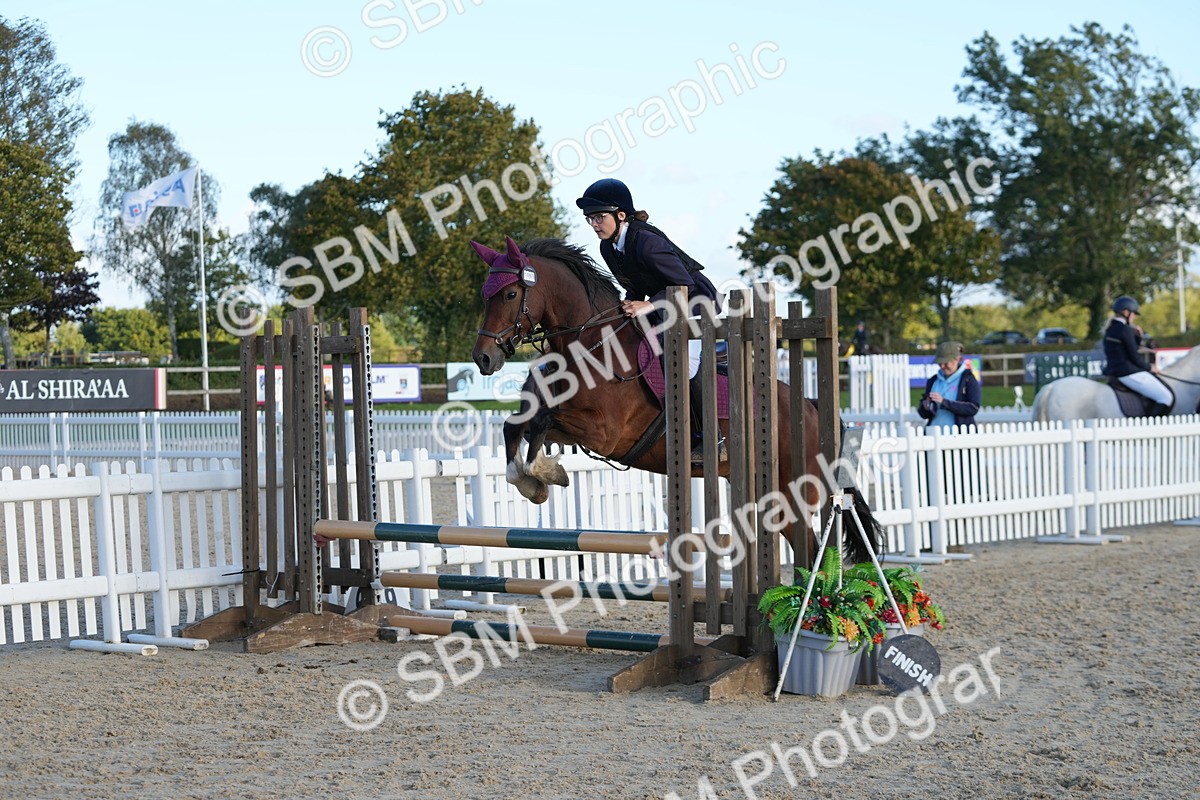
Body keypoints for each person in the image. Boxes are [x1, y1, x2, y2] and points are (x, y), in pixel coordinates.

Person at [575, 178, 723, 463]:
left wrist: (647, 304)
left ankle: (711, 436)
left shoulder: (647, 242)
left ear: (620, 215)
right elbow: (635, 286)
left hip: (694, 305)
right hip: (663, 308)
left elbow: (683, 284)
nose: (594, 224)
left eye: (598, 217)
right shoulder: (609, 247)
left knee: (684, 364)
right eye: (589, 219)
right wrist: (626, 305)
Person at [1102, 296, 1173, 415]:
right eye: (1133, 313)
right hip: (1128, 372)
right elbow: (1134, 356)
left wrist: (1137, 337)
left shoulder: (1110, 328)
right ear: (1126, 312)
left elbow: (1126, 348)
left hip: (1114, 371)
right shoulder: (1125, 329)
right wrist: (1150, 367)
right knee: (1166, 398)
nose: (1134, 317)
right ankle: (1150, 428)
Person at [918, 341, 981, 428]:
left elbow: (973, 408)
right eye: (940, 363)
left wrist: (944, 402)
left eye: (946, 362)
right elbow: (924, 415)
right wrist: (925, 407)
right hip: (933, 434)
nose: (942, 366)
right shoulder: (933, 380)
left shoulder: (968, 379)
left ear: (957, 359)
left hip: (958, 436)